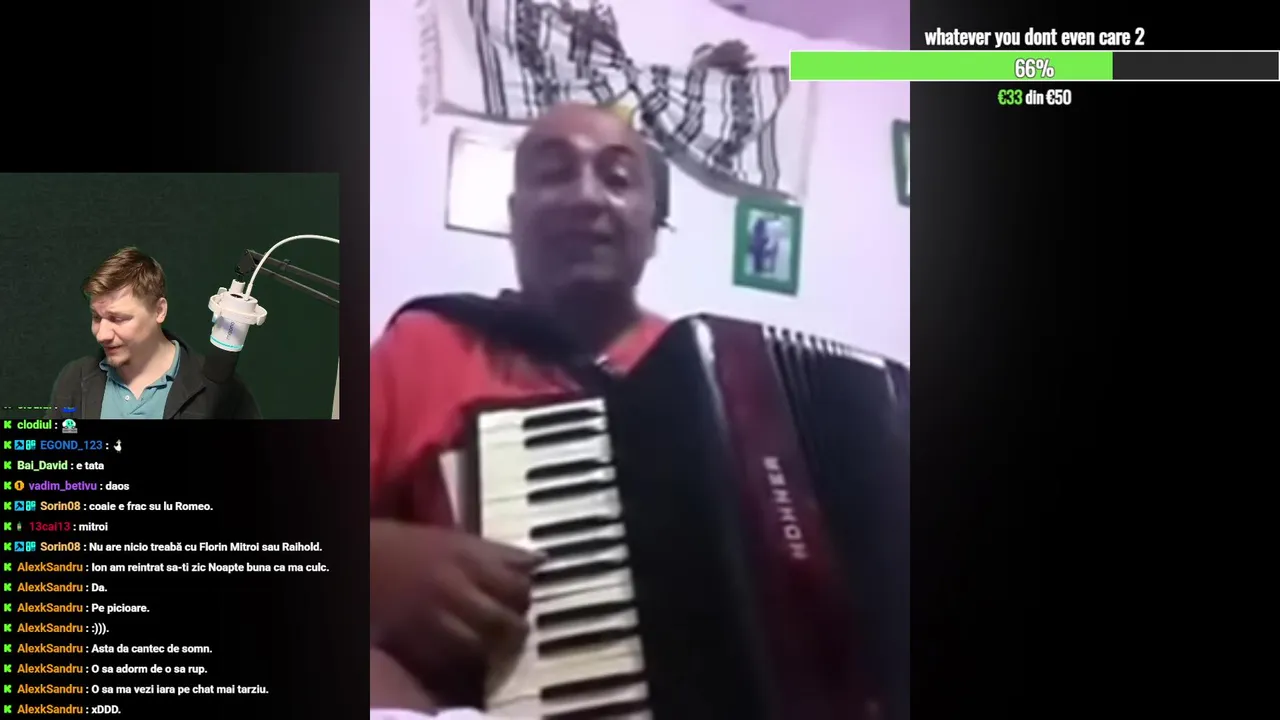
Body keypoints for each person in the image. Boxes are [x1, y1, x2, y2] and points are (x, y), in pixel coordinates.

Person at [370, 102, 670, 711]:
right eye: (554, 173)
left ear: (653, 225)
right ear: (513, 217)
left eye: (617, 178)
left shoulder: (715, 381)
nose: (586, 197)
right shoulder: (422, 348)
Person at [46, 247, 260, 420]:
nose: (102, 335)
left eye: (118, 319)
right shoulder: (74, 380)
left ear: (159, 311)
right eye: (96, 317)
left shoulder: (221, 392)